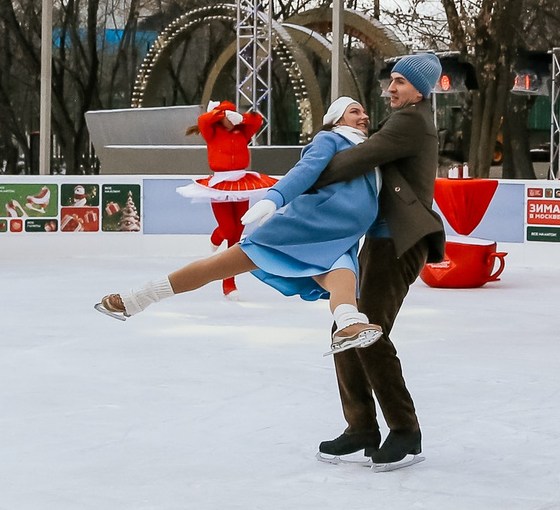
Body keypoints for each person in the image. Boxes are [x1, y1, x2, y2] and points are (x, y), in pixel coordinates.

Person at [96, 97, 385, 350]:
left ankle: (348, 324)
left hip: (340, 237)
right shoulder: (331, 139)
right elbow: (305, 170)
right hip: (305, 226)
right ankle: (136, 298)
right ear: (336, 120)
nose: (364, 117)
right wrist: (274, 198)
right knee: (219, 265)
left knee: (344, 278)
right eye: (354, 112)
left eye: (363, 113)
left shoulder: (372, 149)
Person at [309, 53, 448, 470]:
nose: (391, 88)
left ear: (420, 90)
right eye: (391, 81)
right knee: (346, 325)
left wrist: (308, 170)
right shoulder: (407, 119)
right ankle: (361, 427)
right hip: (380, 239)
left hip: (398, 242)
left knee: (366, 331)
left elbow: (357, 159)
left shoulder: (410, 121)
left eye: (400, 82)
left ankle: (405, 430)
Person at [174, 101, 274, 296]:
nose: (232, 119)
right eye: (228, 116)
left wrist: (242, 118)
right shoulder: (211, 132)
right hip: (220, 184)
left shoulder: (242, 132)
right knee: (228, 229)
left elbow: (257, 120)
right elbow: (203, 119)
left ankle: (229, 282)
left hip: (241, 183)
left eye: (233, 115)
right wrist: (220, 114)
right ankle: (217, 235)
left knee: (238, 231)